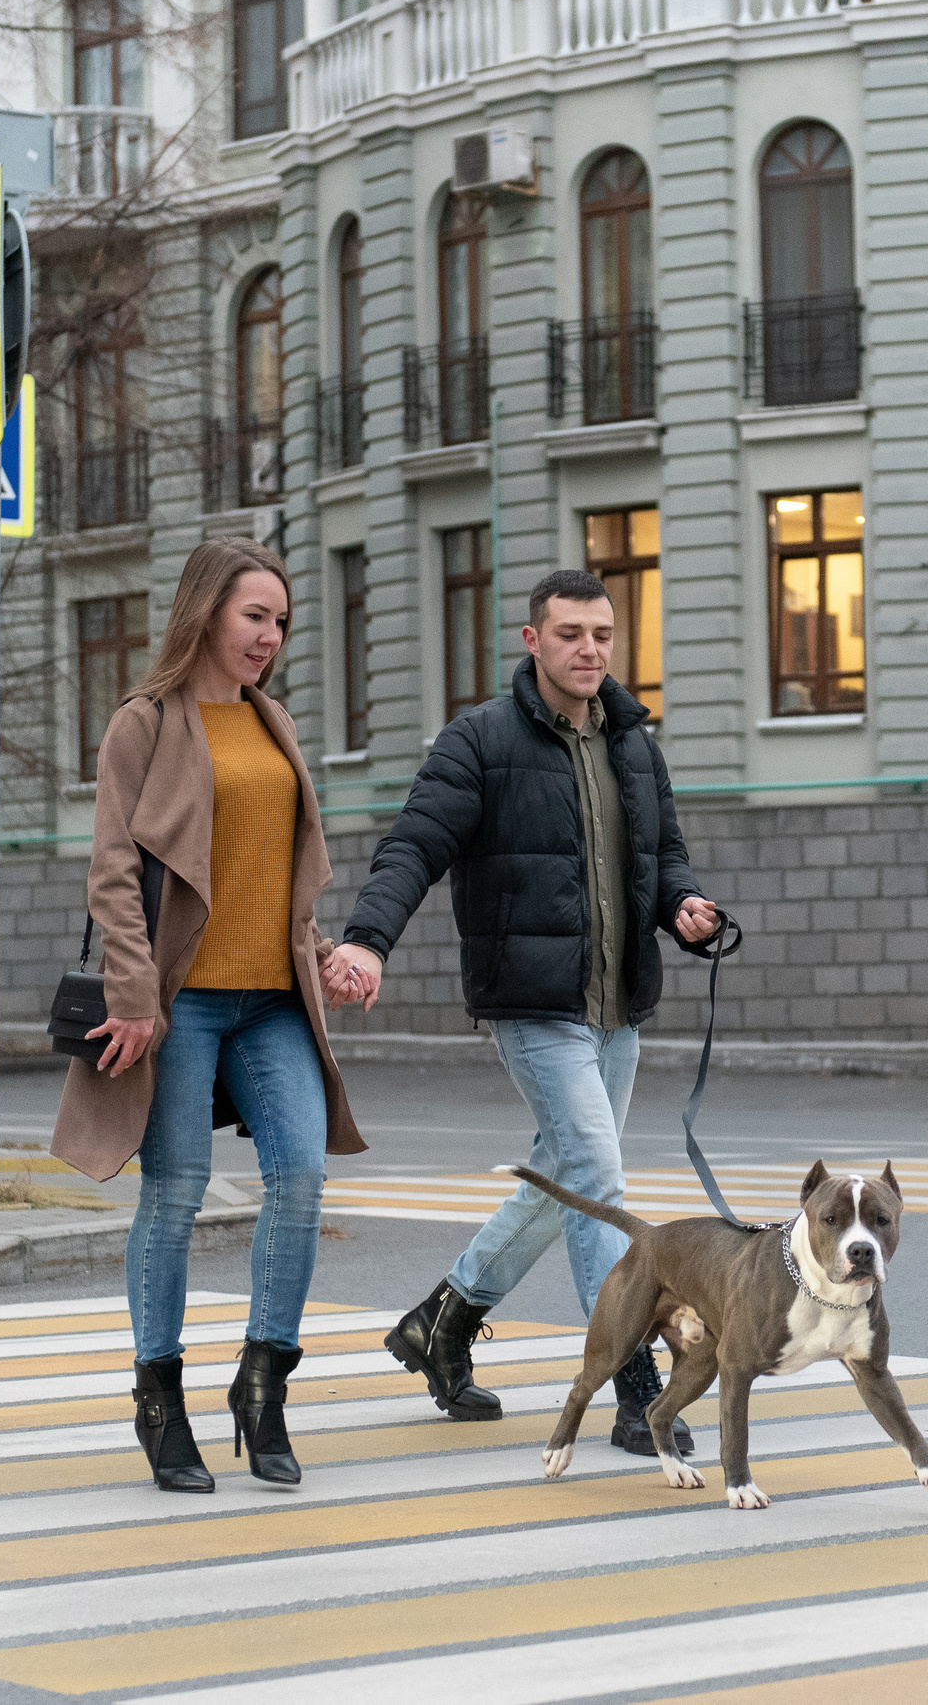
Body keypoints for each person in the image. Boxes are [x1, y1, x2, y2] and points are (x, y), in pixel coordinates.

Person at [324, 567, 720, 1455]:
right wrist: (366, 941)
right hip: (535, 1006)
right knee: (596, 1181)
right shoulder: (481, 741)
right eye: (571, 633)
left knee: (567, 1179)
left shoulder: (632, 742)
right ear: (532, 640)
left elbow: (664, 858)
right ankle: (631, 1385)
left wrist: (686, 909)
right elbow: (413, 845)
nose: (589, 649)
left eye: (603, 635)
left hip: (616, 1007)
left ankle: (442, 1322)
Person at [54, 537, 365, 1494]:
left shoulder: (275, 724)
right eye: (253, 616)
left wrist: (326, 957)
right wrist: (136, 994)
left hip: (274, 999)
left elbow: (279, 878)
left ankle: (263, 1388)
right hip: (181, 1002)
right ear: (205, 613)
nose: (269, 636)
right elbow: (113, 870)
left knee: (302, 1180)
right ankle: (159, 1401)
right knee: (177, 1194)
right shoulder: (144, 724)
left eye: (279, 620)